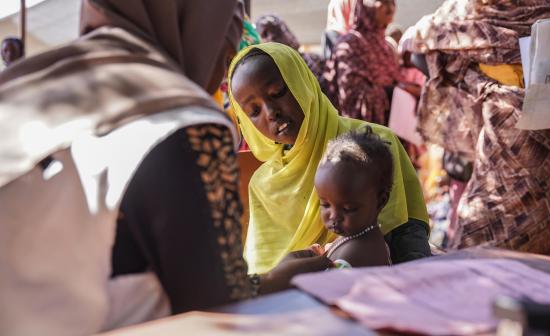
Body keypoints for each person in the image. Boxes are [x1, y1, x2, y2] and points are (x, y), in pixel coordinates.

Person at [0, 1, 329, 334]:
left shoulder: (20, 90)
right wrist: (278, 280)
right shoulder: (182, 122)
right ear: (197, 23)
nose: (222, 71)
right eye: (227, 45)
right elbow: (220, 309)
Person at [406, 0, 550, 264]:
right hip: (549, 155)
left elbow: (418, 47)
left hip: (526, 158)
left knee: (488, 248)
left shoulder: (469, 14)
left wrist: (475, 81)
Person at [228, 42, 431, 275]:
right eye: (254, 111)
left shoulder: (373, 144)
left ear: (302, 83)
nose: (270, 111)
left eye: (277, 93)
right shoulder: (263, 184)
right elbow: (262, 268)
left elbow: (407, 234)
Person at [323, 0, 417, 126]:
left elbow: (395, 80)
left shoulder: (385, 46)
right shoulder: (350, 44)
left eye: (392, 2)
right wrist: (395, 90)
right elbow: (352, 98)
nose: (390, 7)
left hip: (397, 128)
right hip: (366, 134)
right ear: (365, 7)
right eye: (383, 2)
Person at [312, 127, 393, 268]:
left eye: (348, 208)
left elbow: (325, 288)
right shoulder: (358, 236)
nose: (334, 216)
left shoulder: (355, 254)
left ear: (381, 200)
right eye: (325, 204)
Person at [255, 14, 325, 80]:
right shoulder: (270, 75)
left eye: (279, 31)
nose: (272, 37)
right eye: (265, 34)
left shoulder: (317, 60)